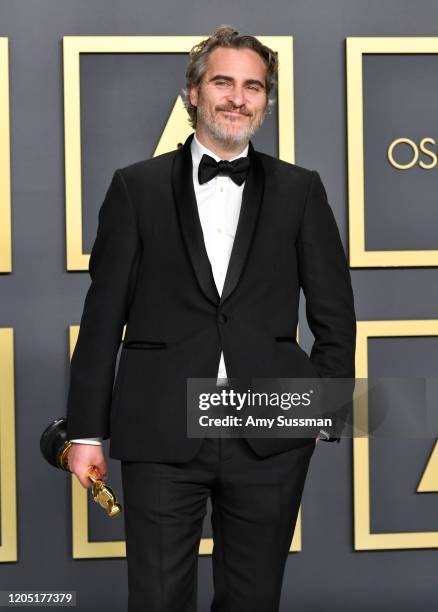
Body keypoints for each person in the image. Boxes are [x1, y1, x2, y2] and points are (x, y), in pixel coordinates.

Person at [66, 24, 356, 611]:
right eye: (223, 81)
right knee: (157, 598)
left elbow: (335, 317)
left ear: (265, 101)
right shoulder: (135, 189)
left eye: (253, 86)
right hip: (160, 426)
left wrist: (320, 411)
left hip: (269, 428)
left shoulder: (301, 191)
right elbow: (101, 322)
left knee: (253, 600)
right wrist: (86, 431)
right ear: (193, 93)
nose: (238, 97)